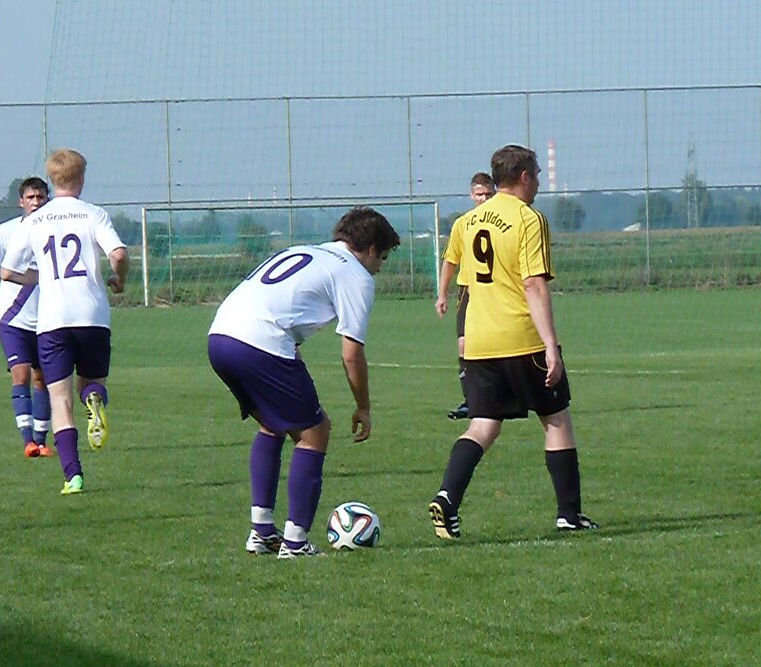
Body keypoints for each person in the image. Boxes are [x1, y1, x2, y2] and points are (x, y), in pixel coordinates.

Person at [208, 207, 401, 558]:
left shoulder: (306, 251)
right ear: (371, 249)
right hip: (260, 341)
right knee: (315, 433)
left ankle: (262, 532)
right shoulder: (355, 274)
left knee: (273, 424)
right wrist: (363, 407)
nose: (379, 267)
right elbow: (351, 354)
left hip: (220, 336)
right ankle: (295, 542)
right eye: (383, 258)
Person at [428, 145, 598, 538]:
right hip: (522, 339)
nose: (538, 182)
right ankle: (569, 515)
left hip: (480, 342)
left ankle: (447, 497)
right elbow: (533, 284)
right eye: (536, 174)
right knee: (556, 420)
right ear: (523, 177)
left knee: (483, 426)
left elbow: (460, 273)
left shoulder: (468, 221)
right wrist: (551, 346)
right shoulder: (528, 219)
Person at [0, 149, 129, 495]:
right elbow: (118, 254)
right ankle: (94, 397)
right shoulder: (93, 214)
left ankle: (73, 476)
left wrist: (41, 277)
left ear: (53, 181)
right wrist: (119, 279)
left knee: (60, 400)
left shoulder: (35, 221)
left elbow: (7, 271)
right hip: (93, 317)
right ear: (81, 178)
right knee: (90, 384)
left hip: (53, 320)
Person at [0, 176, 54, 459]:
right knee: (21, 373)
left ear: (48, 199)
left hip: (48, 318)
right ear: (21, 201)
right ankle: (28, 441)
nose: (36, 202)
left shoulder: (55, 231)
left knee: (43, 379)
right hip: (12, 318)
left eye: (40, 197)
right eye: (30, 197)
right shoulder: (5, 233)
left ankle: (41, 441)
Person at [436, 172, 495, 420]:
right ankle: (470, 400)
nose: (484, 199)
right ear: (472, 195)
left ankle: (500, 395)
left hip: (496, 290)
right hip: (468, 290)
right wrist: (442, 294)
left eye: (488, 194)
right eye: (479, 194)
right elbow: (451, 261)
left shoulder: (503, 221)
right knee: (463, 344)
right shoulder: (463, 224)